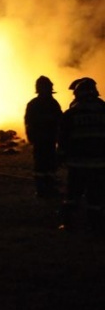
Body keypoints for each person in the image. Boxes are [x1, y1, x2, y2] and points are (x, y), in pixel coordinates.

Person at [57, 78, 105, 234]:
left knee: (72, 194)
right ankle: (95, 225)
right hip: (99, 163)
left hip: (77, 163)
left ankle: (68, 223)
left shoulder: (71, 113)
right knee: (96, 195)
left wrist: (61, 157)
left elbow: (62, 138)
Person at [23, 75, 62, 197]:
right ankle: (44, 188)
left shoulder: (37, 104)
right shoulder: (51, 103)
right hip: (44, 139)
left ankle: (46, 188)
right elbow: (29, 121)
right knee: (44, 165)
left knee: (46, 164)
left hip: (45, 139)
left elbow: (28, 121)